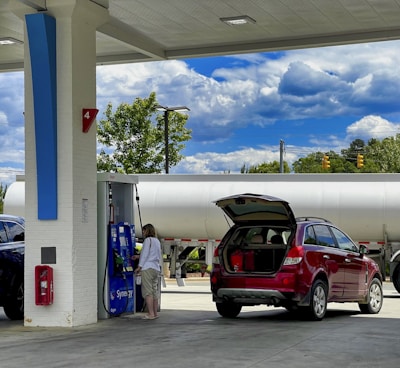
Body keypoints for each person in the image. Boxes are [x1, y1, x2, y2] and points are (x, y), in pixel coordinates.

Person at [134, 223, 162, 320]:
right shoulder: (157, 241)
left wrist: (139, 267)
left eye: (144, 230)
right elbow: (154, 255)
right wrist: (138, 256)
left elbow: (145, 254)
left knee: (147, 292)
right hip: (156, 268)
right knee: (154, 292)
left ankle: (150, 314)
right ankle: (155, 313)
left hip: (147, 268)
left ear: (147, 231)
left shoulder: (147, 240)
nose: (143, 232)